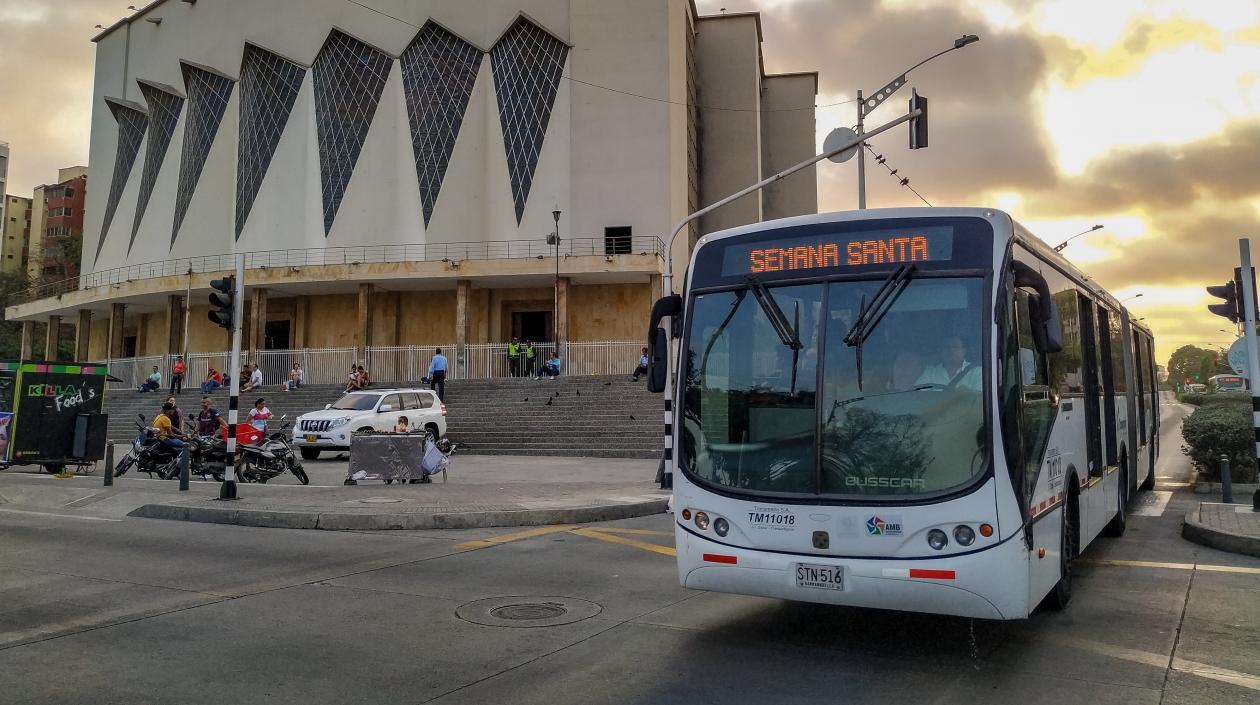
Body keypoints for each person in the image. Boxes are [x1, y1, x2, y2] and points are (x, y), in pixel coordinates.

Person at [915, 335, 982, 391]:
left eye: (955, 346)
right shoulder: (930, 372)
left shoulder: (977, 372)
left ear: (964, 351)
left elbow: (978, 398)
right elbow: (918, 394)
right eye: (946, 347)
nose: (951, 350)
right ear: (941, 351)